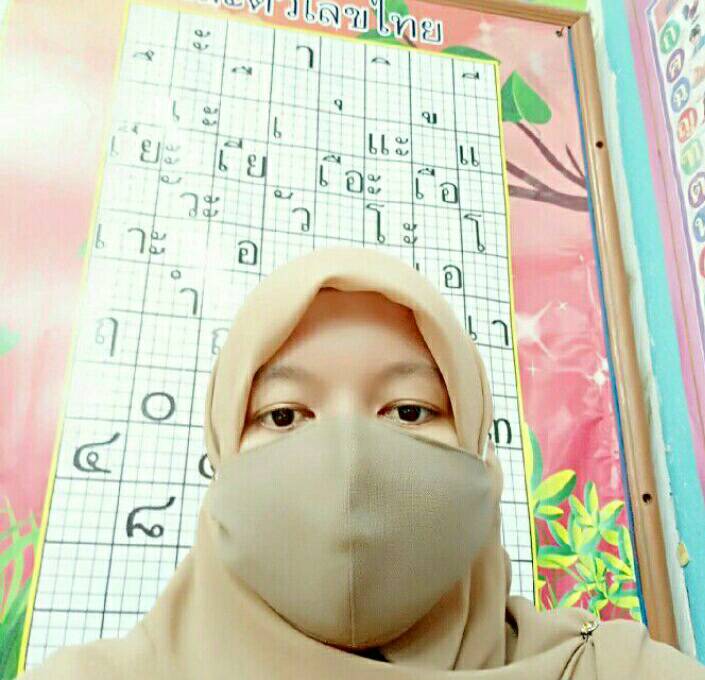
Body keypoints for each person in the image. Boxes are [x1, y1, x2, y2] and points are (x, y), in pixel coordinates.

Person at [18, 246, 705, 679]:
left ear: (476, 448)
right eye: (283, 416)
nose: (349, 464)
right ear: (222, 452)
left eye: (408, 411)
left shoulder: (608, 669)